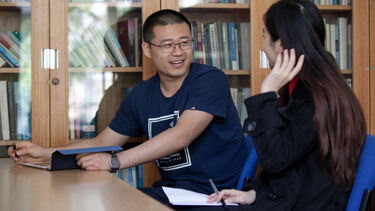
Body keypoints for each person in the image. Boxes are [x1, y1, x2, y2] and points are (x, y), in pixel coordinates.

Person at [8, 9, 248, 207]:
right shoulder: (141, 94)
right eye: (166, 45)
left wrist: (113, 162)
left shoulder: (209, 79)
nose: (178, 52)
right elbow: (101, 142)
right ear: (147, 49)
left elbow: (181, 136)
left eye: (184, 43)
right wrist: (48, 154)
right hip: (171, 194)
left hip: (215, 196)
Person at [191, 0, 366, 210]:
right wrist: (253, 195)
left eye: (264, 36)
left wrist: (267, 92)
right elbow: (296, 162)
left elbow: (276, 158)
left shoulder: (315, 96)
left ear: (280, 44)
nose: (262, 46)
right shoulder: (313, 84)